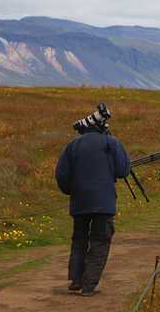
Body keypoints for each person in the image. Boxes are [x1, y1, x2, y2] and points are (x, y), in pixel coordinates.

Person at [56, 122, 130, 297]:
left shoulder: (72, 145)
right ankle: (89, 285)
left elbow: (62, 174)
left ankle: (76, 279)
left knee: (79, 239)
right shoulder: (111, 142)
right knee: (100, 242)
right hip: (104, 202)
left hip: (79, 201)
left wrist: (72, 191)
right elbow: (123, 170)